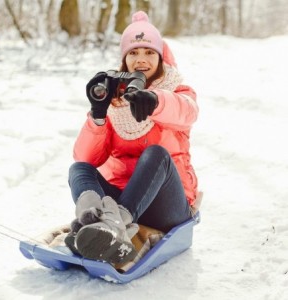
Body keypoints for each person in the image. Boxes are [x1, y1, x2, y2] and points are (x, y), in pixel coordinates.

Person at [65, 11, 200, 265]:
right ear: (124, 59)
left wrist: (156, 100)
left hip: (166, 206)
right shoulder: (115, 99)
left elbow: (187, 111)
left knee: (156, 155)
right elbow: (87, 157)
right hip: (122, 195)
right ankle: (92, 224)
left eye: (149, 53)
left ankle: (116, 225)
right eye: (133, 52)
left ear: (160, 57)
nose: (141, 60)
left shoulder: (178, 91)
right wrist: (98, 115)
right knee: (79, 169)